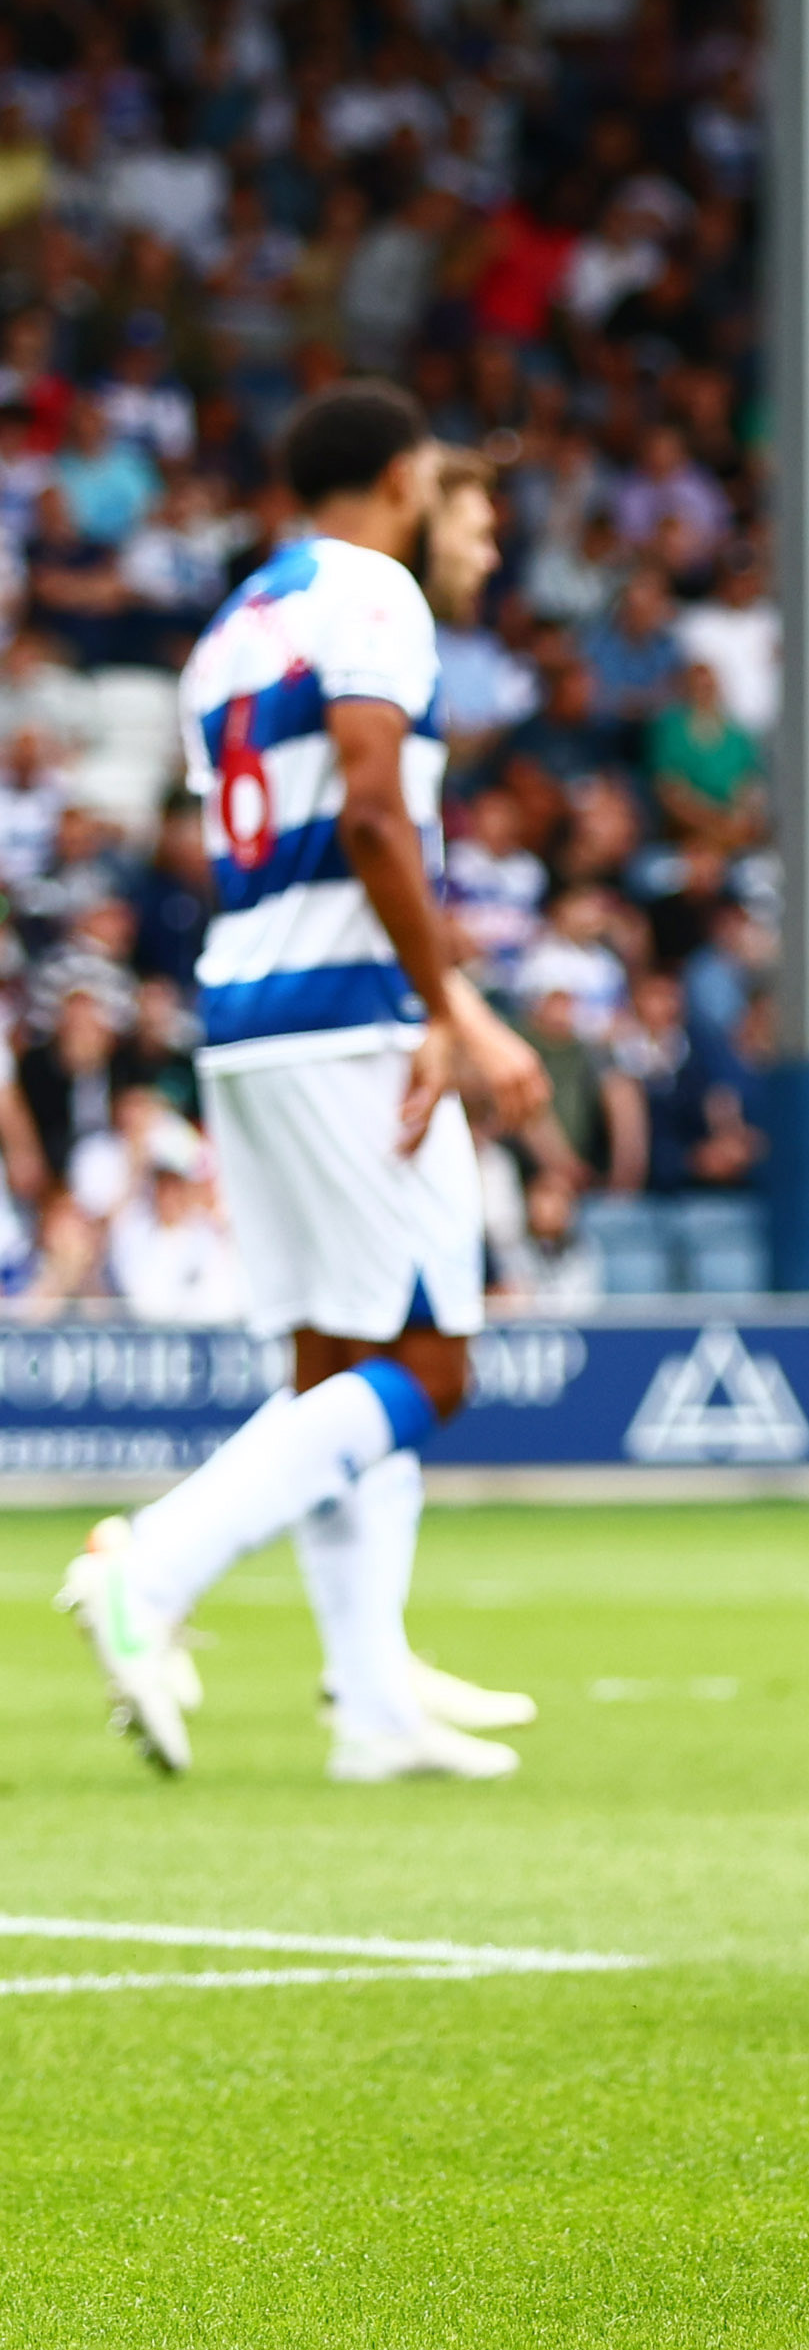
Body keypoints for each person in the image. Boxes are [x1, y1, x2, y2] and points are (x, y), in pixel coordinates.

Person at [56, 386, 550, 1783]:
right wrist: (454, 1002)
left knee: (334, 1356)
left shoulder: (234, 623)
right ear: (403, 478)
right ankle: (154, 1567)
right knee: (430, 1361)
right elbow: (375, 806)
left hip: (249, 1005)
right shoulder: (371, 592)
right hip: (352, 1015)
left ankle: (369, 1696)